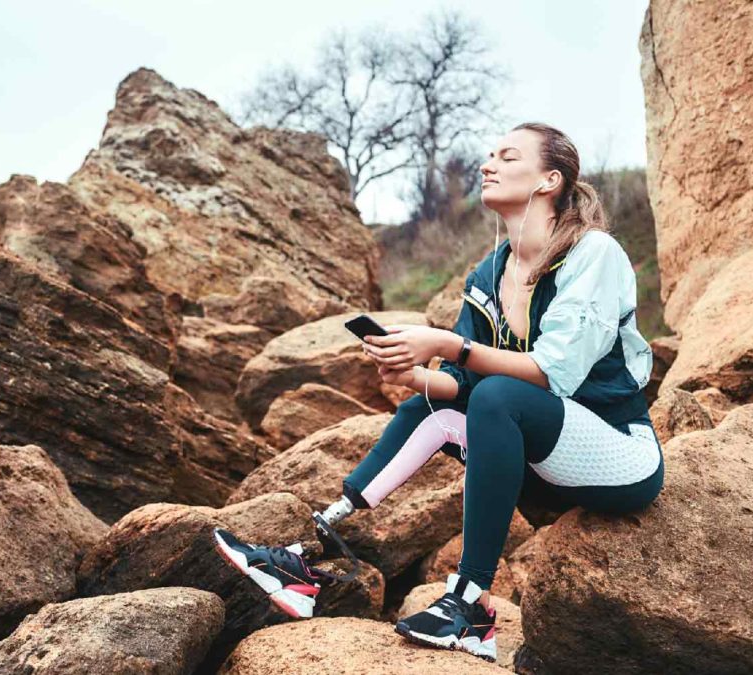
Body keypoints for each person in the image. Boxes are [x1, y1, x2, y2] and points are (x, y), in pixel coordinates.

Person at [212, 122, 663, 663]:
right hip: (541, 459)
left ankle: (471, 605)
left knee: (499, 397)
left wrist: (448, 344)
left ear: (550, 179)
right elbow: (463, 383)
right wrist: (412, 373)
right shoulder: (490, 271)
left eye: (507, 156)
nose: (487, 164)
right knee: (433, 404)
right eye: (488, 155)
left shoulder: (595, 253)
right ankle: (304, 553)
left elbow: (553, 374)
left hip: (618, 457)